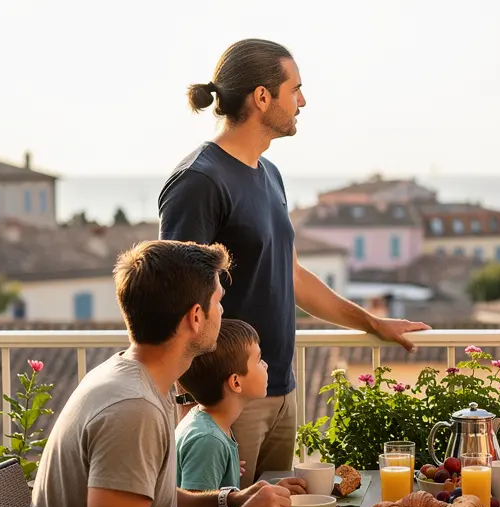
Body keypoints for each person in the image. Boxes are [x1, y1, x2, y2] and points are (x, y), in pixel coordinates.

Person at [159, 38, 428, 484]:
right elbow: (176, 298)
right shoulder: (199, 181)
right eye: (295, 89)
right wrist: (195, 401)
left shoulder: (269, 175)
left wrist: (372, 323)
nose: (303, 101)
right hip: (225, 399)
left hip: (277, 389)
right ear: (262, 97)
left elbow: (294, 276)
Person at [20, 240, 293, 507]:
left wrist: (231, 501)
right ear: (196, 316)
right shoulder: (133, 408)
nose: (223, 311)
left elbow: (156, 501)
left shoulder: (139, 381)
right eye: (218, 301)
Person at [173, 318, 306, 507]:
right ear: (235, 382)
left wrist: (262, 493)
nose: (266, 365)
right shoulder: (208, 440)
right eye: (258, 360)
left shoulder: (211, 424)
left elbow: (217, 501)